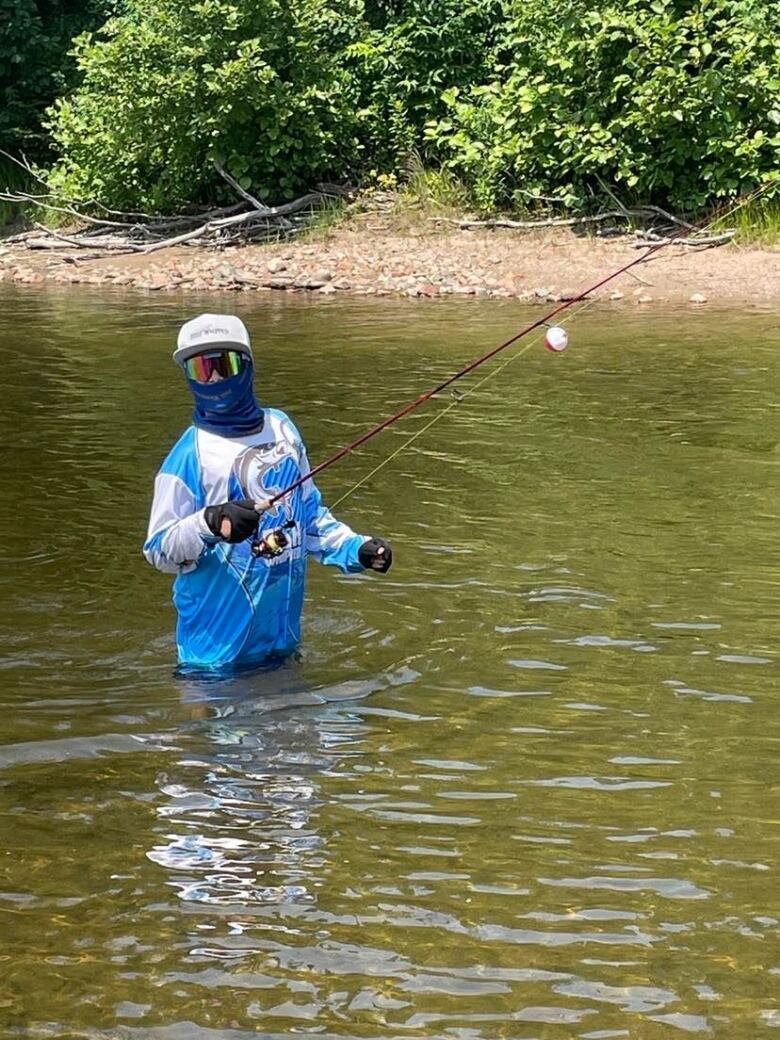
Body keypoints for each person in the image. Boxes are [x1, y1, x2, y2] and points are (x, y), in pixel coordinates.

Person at [143, 313, 392, 670]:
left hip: (282, 649)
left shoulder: (282, 428)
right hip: (213, 662)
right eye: (200, 369)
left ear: (246, 366)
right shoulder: (187, 456)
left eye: (223, 364)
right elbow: (159, 551)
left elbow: (307, 515)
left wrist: (356, 548)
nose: (213, 378)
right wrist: (210, 523)